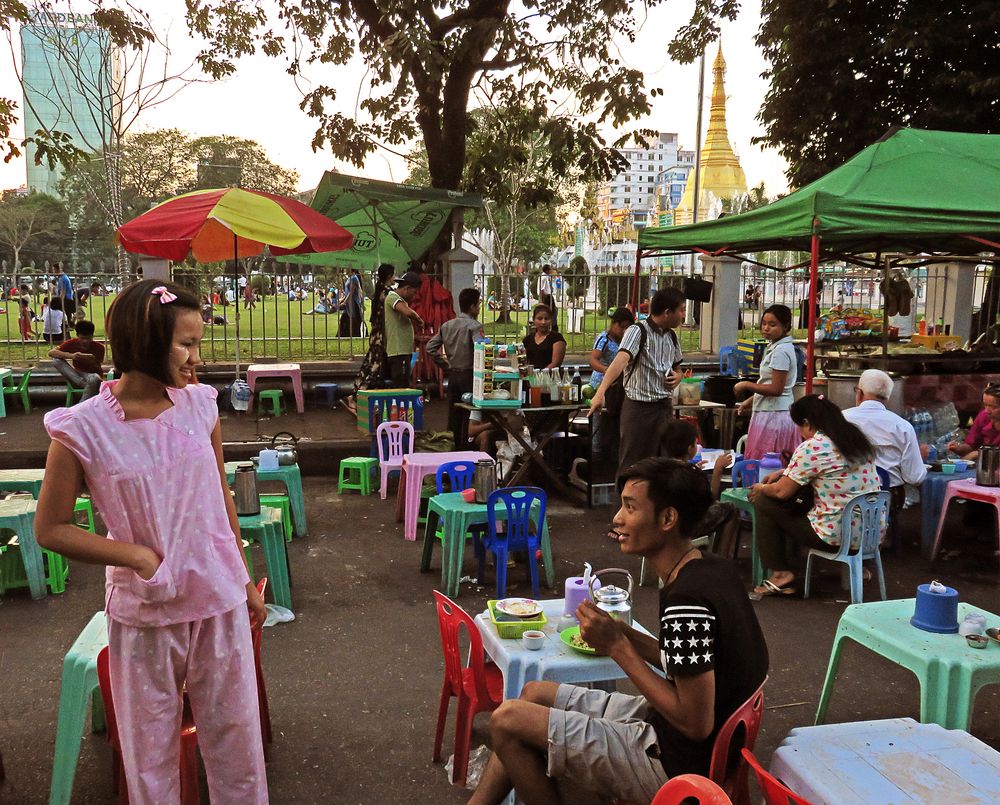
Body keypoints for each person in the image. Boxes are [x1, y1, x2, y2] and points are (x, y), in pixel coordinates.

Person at [35, 280, 267, 803]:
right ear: (144, 341)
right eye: (186, 344)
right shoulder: (82, 429)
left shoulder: (200, 406)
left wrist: (244, 578)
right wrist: (136, 556)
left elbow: (219, 497)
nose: (196, 358)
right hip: (145, 617)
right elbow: (50, 528)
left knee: (237, 746)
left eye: (198, 343)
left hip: (217, 602)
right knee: (149, 759)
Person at [469, 459, 769, 804]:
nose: (617, 519)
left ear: (668, 519)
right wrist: (623, 633)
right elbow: (690, 662)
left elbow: (695, 722)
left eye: (630, 507)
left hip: (676, 765)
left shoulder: (687, 600)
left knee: (506, 720)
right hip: (682, 738)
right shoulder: (710, 568)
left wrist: (617, 647)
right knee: (534, 691)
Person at [749, 394, 880, 597]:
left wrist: (761, 488)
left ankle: (781, 573)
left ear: (807, 423)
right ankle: (859, 568)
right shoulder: (855, 438)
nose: (800, 434)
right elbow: (835, 470)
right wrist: (785, 471)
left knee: (766, 502)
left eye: (799, 427)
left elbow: (781, 491)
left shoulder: (814, 446)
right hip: (871, 533)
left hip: (835, 535)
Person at [588, 287, 686, 478]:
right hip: (639, 410)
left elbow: (678, 367)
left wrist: (679, 376)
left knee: (663, 465)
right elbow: (620, 362)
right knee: (633, 466)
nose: (683, 315)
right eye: (681, 310)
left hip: (664, 408)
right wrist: (600, 393)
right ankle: (626, 506)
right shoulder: (638, 331)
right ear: (667, 312)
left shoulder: (672, 337)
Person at [843, 369, 925, 532]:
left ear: (859, 393)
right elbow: (914, 477)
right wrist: (921, 460)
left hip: (844, 498)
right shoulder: (902, 426)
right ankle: (880, 534)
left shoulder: (841, 419)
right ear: (887, 398)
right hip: (887, 502)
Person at [734, 304, 800, 460]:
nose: (766, 328)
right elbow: (768, 382)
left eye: (772, 325)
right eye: (764, 323)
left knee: (768, 460)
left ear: (786, 326)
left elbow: (776, 389)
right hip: (770, 410)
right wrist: (751, 400)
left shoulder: (781, 352)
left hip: (774, 415)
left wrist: (746, 385)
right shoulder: (776, 347)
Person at [427, 288, 484, 449]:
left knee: (453, 416)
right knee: (469, 415)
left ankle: (451, 450)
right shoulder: (474, 326)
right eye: (478, 305)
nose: (479, 308)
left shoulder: (447, 325)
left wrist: (445, 365)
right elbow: (481, 348)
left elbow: (430, 347)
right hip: (469, 376)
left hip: (453, 376)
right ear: (472, 307)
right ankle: (466, 451)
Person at [583, 307, 635, 482]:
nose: (624, 331)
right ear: (614, 324)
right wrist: (607, 371)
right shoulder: (604, 339)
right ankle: (598, 463)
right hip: (602, 385)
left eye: (628, 328)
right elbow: (593, 360)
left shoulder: (627, 341)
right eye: (622, 327)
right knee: (601, 425)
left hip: (620, 388)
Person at [384, 270, 425, 388]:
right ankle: (399, 406)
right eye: (414, 292)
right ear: (406, 288)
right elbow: (407, 312)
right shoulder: (392, 297)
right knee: (400, 385)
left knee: (405, 382)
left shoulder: (401, 301)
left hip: (403, 351)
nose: (415, 295)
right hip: (398, 351)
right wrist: (419, 320)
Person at [49, 320, 105, 401]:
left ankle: (80, 406)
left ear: (92, 336)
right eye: (82, 338)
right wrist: (72, 356)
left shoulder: (99, 347)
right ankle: (85, 385)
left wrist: (91, 361)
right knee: (56, 361)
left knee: (95, 378)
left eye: (88, 338)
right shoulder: (71, 343)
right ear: (77, 336)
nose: (85, 341)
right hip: (76, 376)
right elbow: (51, 352)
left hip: (91, 375)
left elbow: (98, 369)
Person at [948, 383, 1000, 459]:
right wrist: (958, 448)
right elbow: (971, 446)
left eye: (993, 407)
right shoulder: (983, 417)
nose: (987, 411)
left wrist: (978, 454)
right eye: (985, 405)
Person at [522, 304, 566, 370]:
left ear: (551, 320)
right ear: (534, 320)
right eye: (539, 319)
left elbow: (555, 363)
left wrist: (540, 375)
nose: (543, 322)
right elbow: (523, 361)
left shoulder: (557, 338)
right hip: (531, 377)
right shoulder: (528, 339)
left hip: (550, 377)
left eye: (547, 319)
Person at [338, 268, 365, 337]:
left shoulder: (354, 278)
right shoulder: (349, 278)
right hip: (349, 303)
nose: (344, 270)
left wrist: (344, 302)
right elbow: (347, 292)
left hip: (353, 303)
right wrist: (343, 299)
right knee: (345, 318)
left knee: (354, 319)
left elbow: (352, 292)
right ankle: (344, 334)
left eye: (345, 269)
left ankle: (357, 334)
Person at [536, 264, 558, 330]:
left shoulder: (543, 276)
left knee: (552, 311)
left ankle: (551, 326)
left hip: (546, 296)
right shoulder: (544, 277)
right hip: (546, 297)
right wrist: (543, 301)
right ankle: (553, 326)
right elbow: (542, 290)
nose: (551, 270)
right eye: (550, 269)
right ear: (547, 270)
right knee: (552, 312)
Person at [55, 263, 76, 330]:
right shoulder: (63, 277)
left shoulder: (63, 278)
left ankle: (68, 327)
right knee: (67, 314)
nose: (53, 272)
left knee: (66, 314)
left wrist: (59, 301)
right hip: (68, 298)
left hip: (66, 298)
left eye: (54, 270)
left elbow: (63, 291)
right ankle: (70, 326)